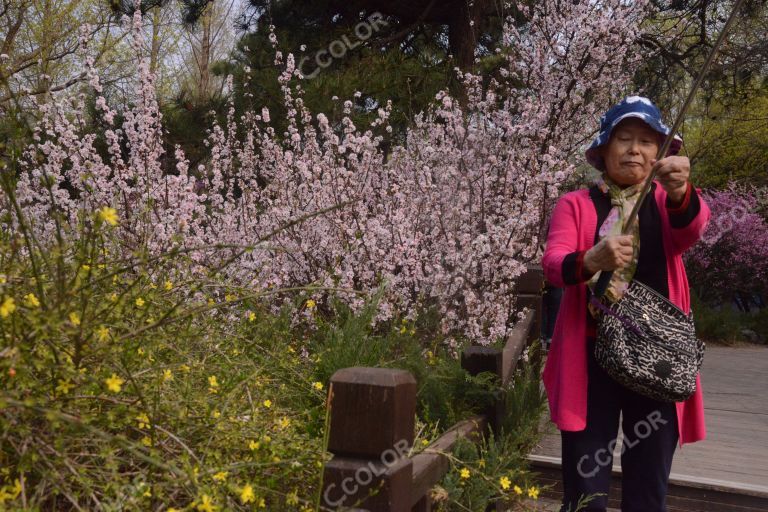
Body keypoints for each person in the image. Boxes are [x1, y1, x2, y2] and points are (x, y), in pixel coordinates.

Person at [541, 96, 710, 512]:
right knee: (586, 493)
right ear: (603, 150)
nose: (635, 149)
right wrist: (592, 259)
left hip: (658, 361)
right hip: (590, 358)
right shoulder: (575, 204)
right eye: (624, 139)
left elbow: (692, 228)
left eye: (647, 141)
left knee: (648, 491)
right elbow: (553, 264)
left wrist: (681, 189)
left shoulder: (663, 201)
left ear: (661, 153)